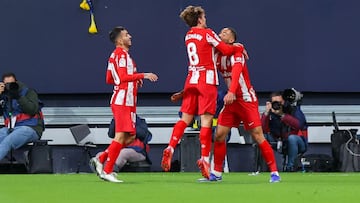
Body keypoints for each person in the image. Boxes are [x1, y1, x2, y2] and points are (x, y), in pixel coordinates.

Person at [161, 5, 244, 179]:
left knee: (185, 119)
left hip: (191, 78)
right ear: (199, 19)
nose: (206, 20)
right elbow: (226, 49)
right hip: (206, 80)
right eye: (204, 17)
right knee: (206, 120)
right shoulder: (208, 33)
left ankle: (170, 147)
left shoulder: (188, 35)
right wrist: (238, 46)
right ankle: (205, 158)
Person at [209, 27, 281, 183]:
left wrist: (232, 91)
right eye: (220, 32)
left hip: (245, 98)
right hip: (231, 100)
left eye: (225, 33)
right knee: (219, 134)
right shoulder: (216, 54)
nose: (221, 34)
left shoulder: (237, 51)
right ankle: (216, 172)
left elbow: (236, 73)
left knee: (257, 135)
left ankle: (274, 172)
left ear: (231, 40)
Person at [90, 26, 158, 183]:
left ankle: (102, 158)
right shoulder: (121, 55)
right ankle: (107, 170)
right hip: (123, 101)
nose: (130, 36)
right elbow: (121, 77)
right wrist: (143, 75)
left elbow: (109, 78)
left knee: (130, 137)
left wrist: (134, 80)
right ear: (120, 40)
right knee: (121, 136)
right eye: (127, 35)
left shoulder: (118, 56)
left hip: (127, 101)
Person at [0, 72, 44, 161]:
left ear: (16, 82)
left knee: (8, 141)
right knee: (3, 135)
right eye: (6, 84)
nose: (9, 86)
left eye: (11, 84)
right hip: (11, 128)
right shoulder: (4, 96)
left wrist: (18, 97)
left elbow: (32, 110)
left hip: (31, 128)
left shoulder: (28, 92)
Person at [261, 91, 307, 172]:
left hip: (297, 142)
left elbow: (299, 125)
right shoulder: (270, 113)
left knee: (292, 138)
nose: (278, 105)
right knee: (262, 138)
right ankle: (264, 168)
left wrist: (282, 115)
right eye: (275, 103)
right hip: (277, 140)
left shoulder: (293, 110)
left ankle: (290, 167)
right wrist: (266, 114)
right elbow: (263, 129)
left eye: (280, 102)